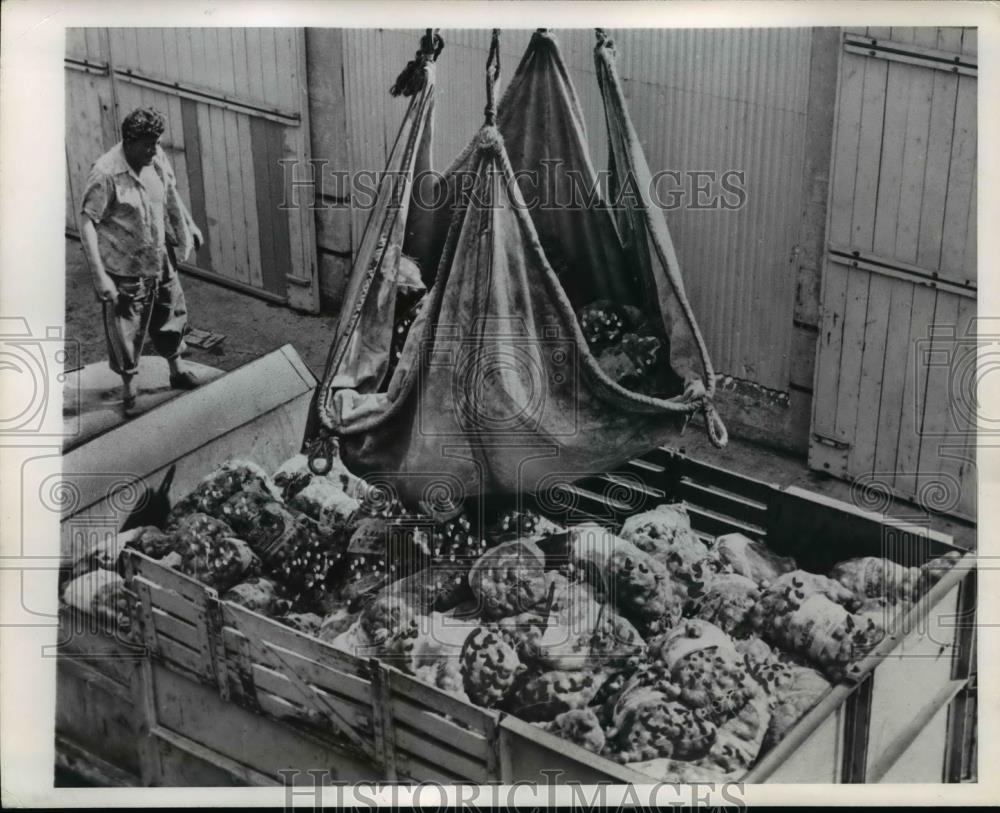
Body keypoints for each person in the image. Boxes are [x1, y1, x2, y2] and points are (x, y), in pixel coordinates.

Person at [79, 107, 204, 415]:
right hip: (125, 267)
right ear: (130, 141)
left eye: (157, 142)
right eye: (148, 144)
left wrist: (188, 224)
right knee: (127, 329)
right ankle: (129, 386)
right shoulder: (106, 173)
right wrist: (100, 277)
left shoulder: (156, 159)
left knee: (171, 313)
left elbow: (169, 195)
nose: (154, 149)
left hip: (160, 256)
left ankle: (176, 369)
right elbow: (87, 222)